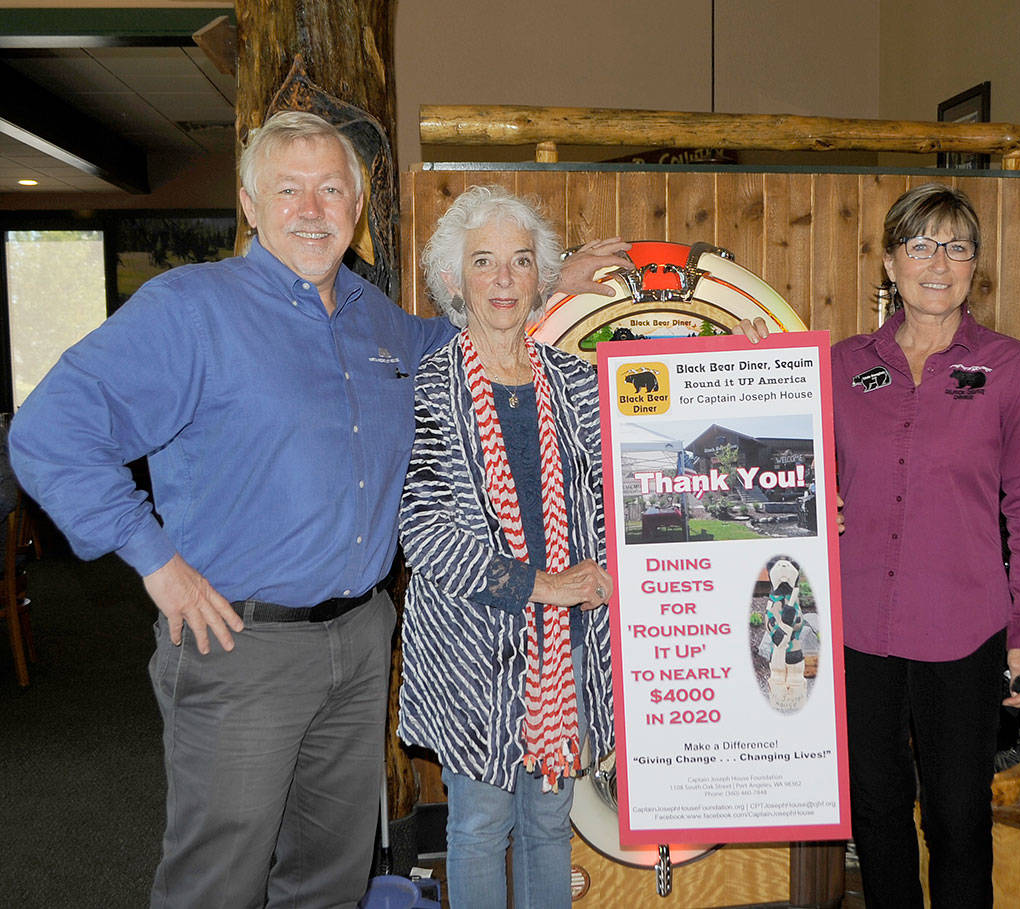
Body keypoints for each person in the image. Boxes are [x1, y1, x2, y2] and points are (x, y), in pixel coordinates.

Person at [8, 111, 629, 908]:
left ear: (357, 207)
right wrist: (155, 562)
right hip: (240, 645)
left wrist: (552, 277)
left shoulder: (379, 323)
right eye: (289, 189)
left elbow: (478, 337)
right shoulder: (191, 309)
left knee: (330, 879)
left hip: (360, 641)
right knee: (217, 881)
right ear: (249, 203)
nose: (312, 208)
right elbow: (49, 432)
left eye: (331, 189)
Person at [740, 183, 1020, 907]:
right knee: (877, 817)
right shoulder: (838, 365)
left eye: (956, 247)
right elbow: (774, 458)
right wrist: (755, 361)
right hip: (856, 633)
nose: (938, 263)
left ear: (974, 264)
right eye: (919, 245)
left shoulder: (1010, 367)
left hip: (964, 632)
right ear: (890, 263)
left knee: (958, 823)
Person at [396, 185, 615, 909]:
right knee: (482, 823)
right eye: (484, 261)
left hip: (565, 646)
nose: (502, 279)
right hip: (471, 652)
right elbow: (424, 533)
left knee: (551, 822)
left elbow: (630, 486)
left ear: (538, 280)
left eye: (520, 262)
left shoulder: (576, 381)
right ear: (454, 279)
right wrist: (543, 586)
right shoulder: (427, 385)